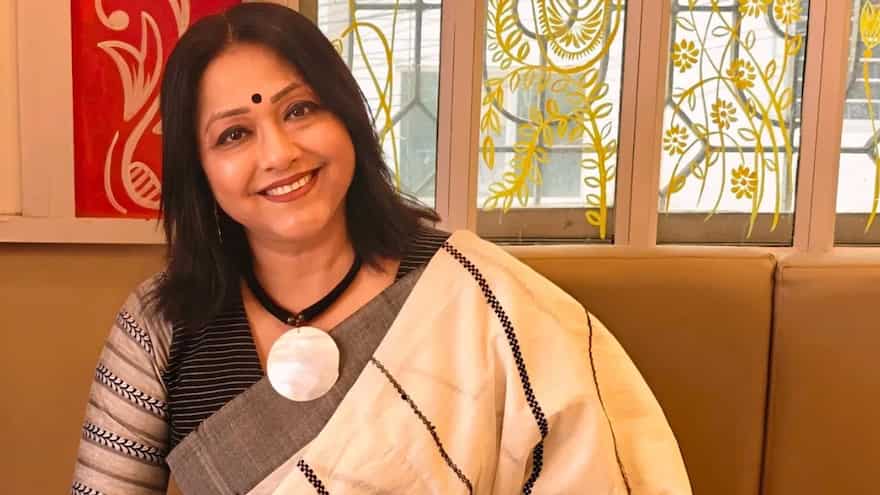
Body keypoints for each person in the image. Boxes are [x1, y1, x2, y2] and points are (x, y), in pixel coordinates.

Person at [72, 3, 690, 494]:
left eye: (300, 110)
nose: (279, 153)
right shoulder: (160, 327)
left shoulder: (469, 291)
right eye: (234, 134)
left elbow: (593, 463)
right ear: (199, 170)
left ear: (349, 120)